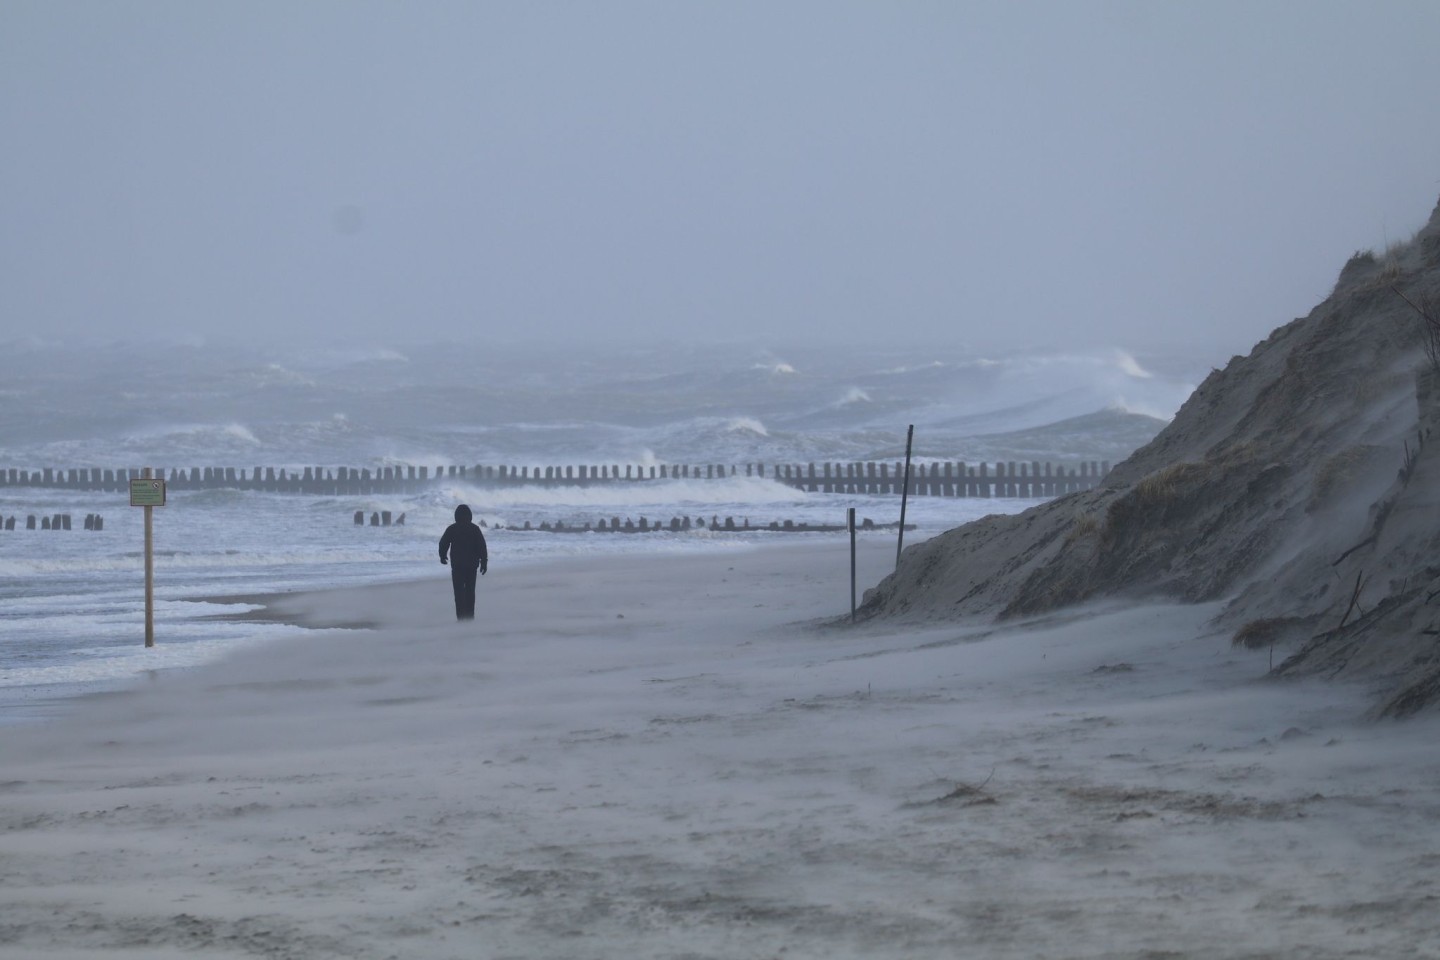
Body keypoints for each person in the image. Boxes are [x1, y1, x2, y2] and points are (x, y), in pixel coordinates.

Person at [439, 504, 488, 620]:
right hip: (471, 566)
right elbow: (482, 547)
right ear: (470, 516)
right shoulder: (475, 529)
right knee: (470, 592)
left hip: (457, 566)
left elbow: (443, 543)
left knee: (459, 593)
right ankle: (470, 616)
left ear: (456, 516)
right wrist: (484, 562)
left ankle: (460, 617)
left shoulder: (452, 529)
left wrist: (442, 556)